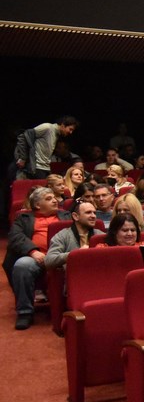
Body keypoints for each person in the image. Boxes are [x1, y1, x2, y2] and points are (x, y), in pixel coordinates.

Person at [5, 187, 69, 329]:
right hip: (37, 258)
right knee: (22, 265)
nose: (55, 200)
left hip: (62, 256)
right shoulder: (23, 218)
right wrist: (32, 251)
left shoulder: (66, 215)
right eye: (49, 199)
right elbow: (16, 237)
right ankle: (25, 312)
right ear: (37, 205)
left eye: (54, 197)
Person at [44, 199, 103, 270]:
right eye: (88, 212)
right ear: (75, 216)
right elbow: (49, 260)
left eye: (94, 213)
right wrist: (75, 254)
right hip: (73, 274)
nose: (93, 216)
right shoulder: (63, 235)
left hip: (97, 272)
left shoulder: (100, 235)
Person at [13, 116, 78, 179]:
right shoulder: (47, 127)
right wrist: (23, 158)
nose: (71, 132)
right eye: (70, 129)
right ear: (63, 125)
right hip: (37, 167)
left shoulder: (56, 134)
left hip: (45, 167)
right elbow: (23, 137)